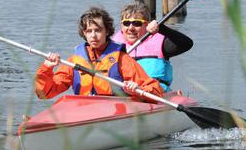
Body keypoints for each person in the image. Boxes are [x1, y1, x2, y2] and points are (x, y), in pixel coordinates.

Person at [34, 6, 163, 100]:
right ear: (84, 33)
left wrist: (137, 89)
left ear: (107, 31)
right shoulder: (75, 60)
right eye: (89, 31)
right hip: (83, 110)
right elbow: (44, 94)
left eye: (98, 30)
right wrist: (46, 69)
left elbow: (156, 91)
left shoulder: (122, 59)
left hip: (114, 110)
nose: (93, 36)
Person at [111, 1, 193, 92]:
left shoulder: (161, 43)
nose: (130, 28)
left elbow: (187, 44)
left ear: (147, 25)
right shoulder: (112, 45)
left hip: (154, 94)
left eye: (137, 23)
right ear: (121, 25)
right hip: (124, 94)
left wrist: (161, 28)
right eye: (126, 23)